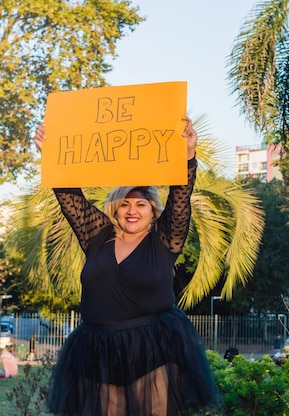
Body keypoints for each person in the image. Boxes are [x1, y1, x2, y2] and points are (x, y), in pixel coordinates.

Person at [34, 116, 219, 416]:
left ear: (152, 210)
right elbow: (70, 197)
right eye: (125, 204)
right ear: (114, 208)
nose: (132, 211)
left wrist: (187, 157)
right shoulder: (97, 236)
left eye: (141, 204)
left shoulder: (164, 240)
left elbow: (180, 199)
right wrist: (51, 153)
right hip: (99, 352)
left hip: (153, 349)